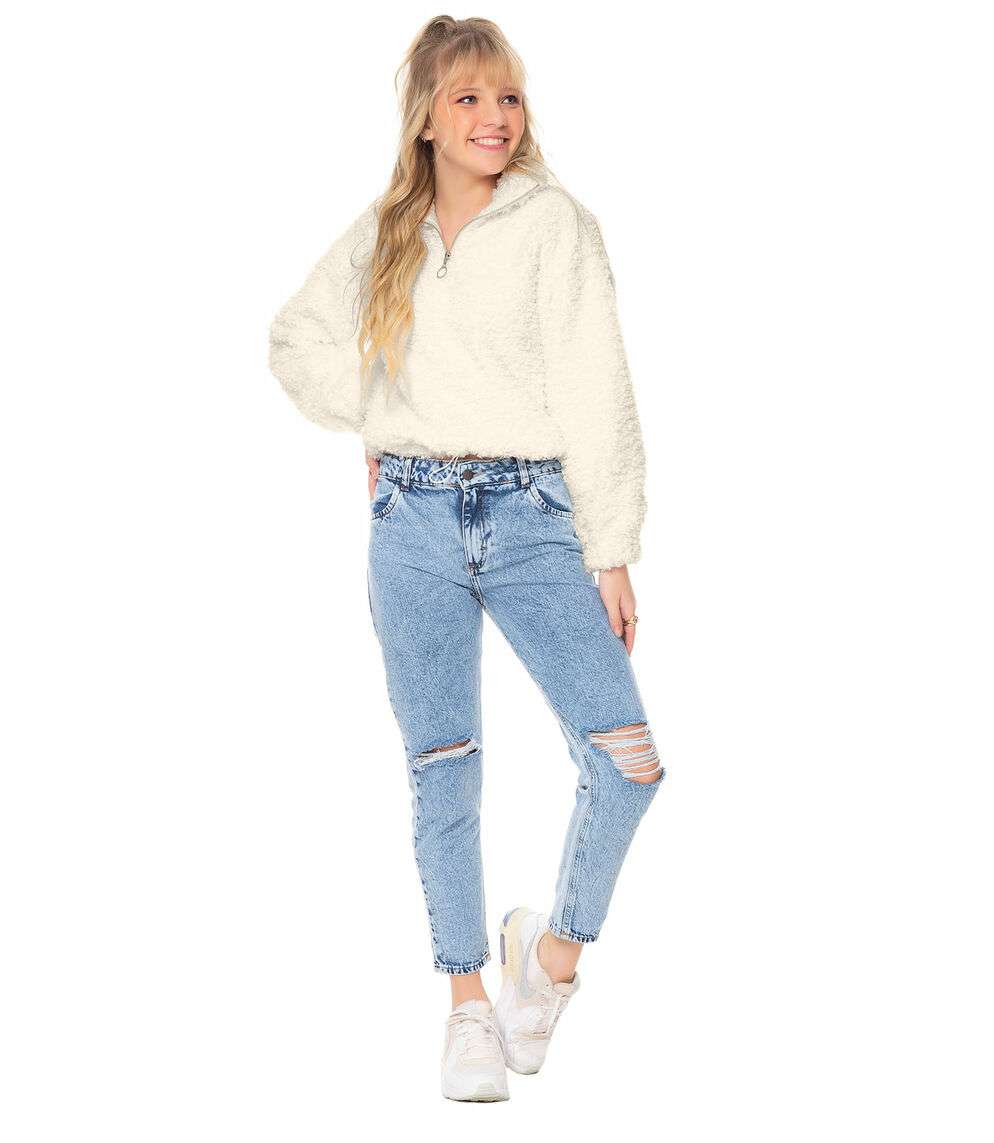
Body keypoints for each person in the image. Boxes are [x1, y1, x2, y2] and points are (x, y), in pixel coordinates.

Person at [268, 16, 664, 1102]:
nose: (495, 118)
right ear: (428, 122)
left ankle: (550, 959)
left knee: (629, 761)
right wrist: (382, 411)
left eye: (509, 97)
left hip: (536, 518)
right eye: (470, 99)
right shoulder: (386, 230)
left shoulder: (555, 225)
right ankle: (467, 1005)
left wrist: (612, 548)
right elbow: (296, 339)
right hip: (412, 523)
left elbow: (595, 384)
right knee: (443, 769)